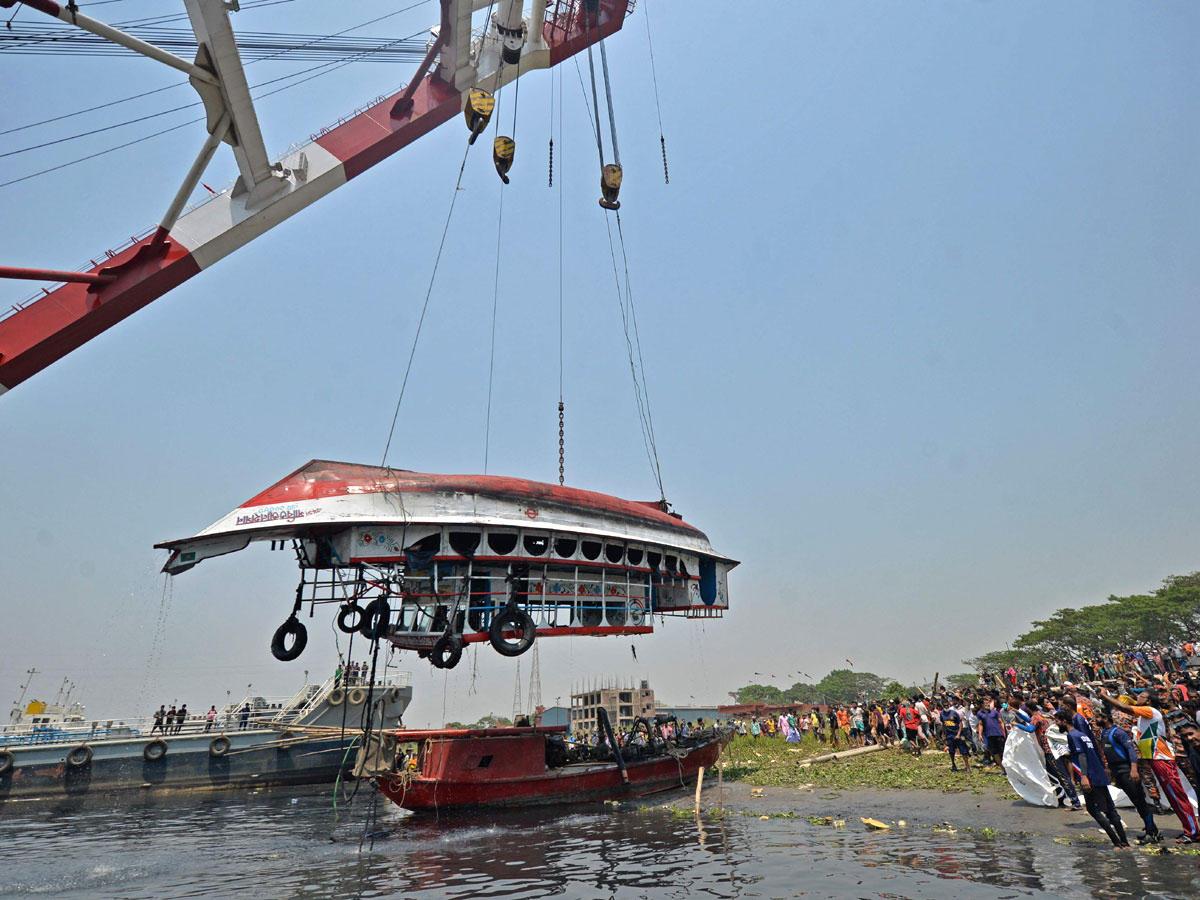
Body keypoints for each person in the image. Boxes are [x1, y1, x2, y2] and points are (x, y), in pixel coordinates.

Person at [1101, 688, 1200, 843]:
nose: (1137, 698)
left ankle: (1193, 832)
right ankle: (1189, 829)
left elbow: (1125, 707)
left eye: (1140, 696)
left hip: (1161, 759)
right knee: (1173, 798)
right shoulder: (1145, 712)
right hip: (1155, 759)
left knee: (1177, 797)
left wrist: (1104, 696)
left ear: (1147, 701)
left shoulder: (1149, 711)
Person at [1055, 709, 1129, 849]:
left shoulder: (1073, 736)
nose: (1056, 724)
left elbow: (1082, 756)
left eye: (1057, 721)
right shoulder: (1082, 735)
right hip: (1098, 775)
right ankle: (1123, 842)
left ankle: (1118, 842)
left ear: (1064, 721)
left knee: (1095, 810)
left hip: (1090, 777)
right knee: (1109, 810)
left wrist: (1083, 777)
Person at [1097, 707, 1161, 844]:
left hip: (1127, 770)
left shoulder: (1118, 732)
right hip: (1117, 771)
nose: (1095, 720)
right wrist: (1108, 768)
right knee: (1135, 800)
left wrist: (1133, 769)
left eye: (1098, 718)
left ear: (1105, 718)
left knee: (1139, 800)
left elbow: (1131, 750)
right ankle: (1152, 829)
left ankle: (1151, 831)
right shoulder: (1104, 733)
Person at [977, 697, 1007, 774]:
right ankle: (1003, 769)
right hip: (989, 735)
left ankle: (1007, 767)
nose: (987, 705)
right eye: (986, 703)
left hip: (998, 734)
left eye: (988, 703)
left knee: (1002, 751)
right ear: (982, 705)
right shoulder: (980, 713)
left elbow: (1001, 722)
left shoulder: (994, 712)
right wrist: (980, 734)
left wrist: (1003, 732)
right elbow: (980, 724)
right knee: (995, 753)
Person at [939, 699, 970, 772]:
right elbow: (943, 724)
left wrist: (958, 734)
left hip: (957, 734)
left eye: (947, 705)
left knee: (963, 751)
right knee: (951, 751)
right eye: (944, 706)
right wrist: (943, 735)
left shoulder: (954, 713)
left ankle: (967, 767)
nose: (946, 707)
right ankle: (953, 765)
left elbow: (960, 724)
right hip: (949, 735)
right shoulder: (942, 714)